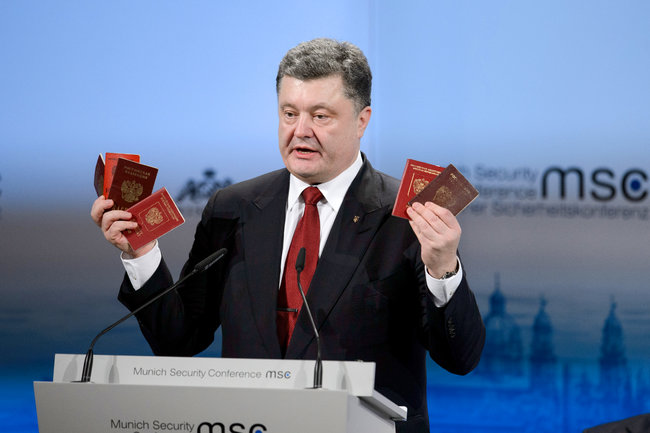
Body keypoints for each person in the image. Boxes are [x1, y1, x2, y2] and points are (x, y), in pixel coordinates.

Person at [91, 38, 485, 433]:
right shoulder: (233, 208)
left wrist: (443, 269)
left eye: (321, 116)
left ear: (362, 120)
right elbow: (178, 341)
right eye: (289, 113)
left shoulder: (408, 218)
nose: (301, 131)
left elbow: (459, 358)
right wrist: (141, 254)